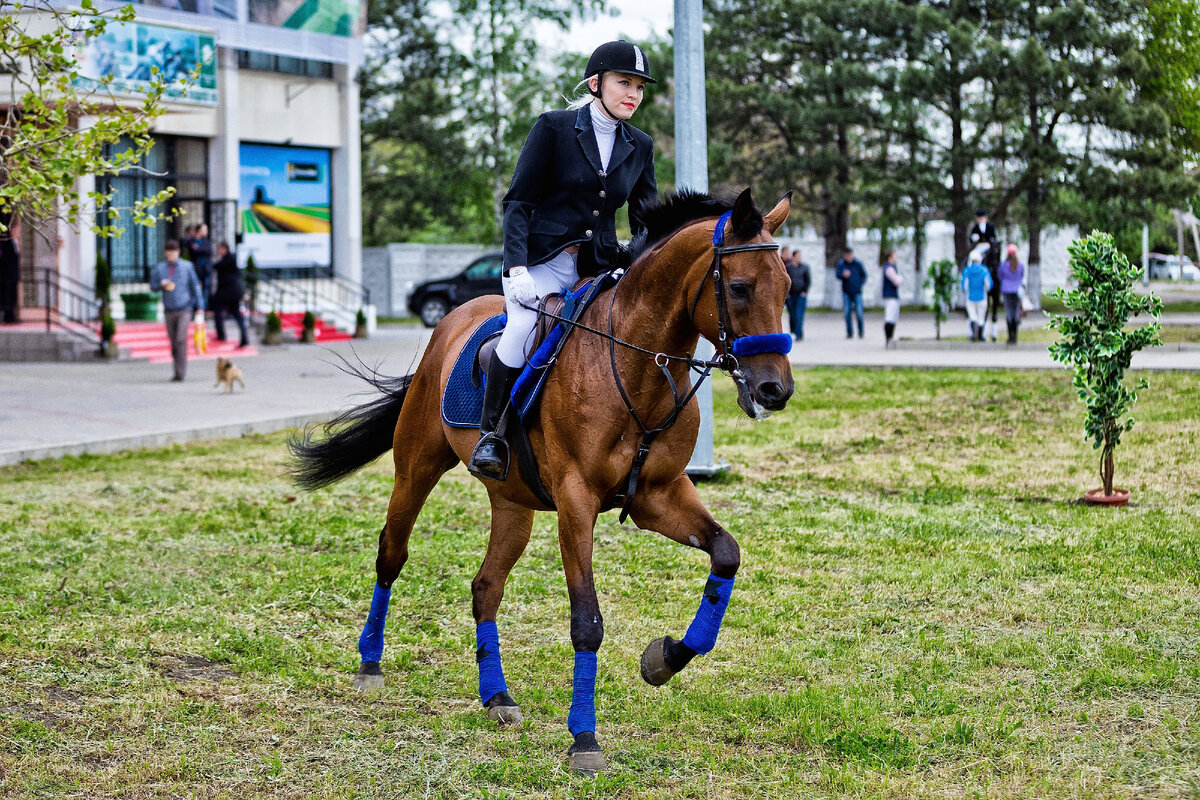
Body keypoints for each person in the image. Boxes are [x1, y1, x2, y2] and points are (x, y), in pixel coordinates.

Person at [468, 40, 658, 481]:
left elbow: (646, 218)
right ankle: (491, 435)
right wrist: (515, 267)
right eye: (623, 83)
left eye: (639, 87)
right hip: (540, 260)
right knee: (520, 326)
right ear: (596, 84)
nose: (633, 93)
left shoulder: (641, 145)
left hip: (597, 265)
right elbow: (517, 202)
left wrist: (635, 258)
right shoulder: (554, 128)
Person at [151, 240, 204, 381]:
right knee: (174, 342)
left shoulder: (187, 267)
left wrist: (200, 307)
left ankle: (181, 372)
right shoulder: (160, 268)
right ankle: (176, 370)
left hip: (184, 308)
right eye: (168, 253)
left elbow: (195, 287)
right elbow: (153, 286)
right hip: (169, 309)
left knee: (180, 339)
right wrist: (161, 285)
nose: (170, 256)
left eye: (173, 253)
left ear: (178, 252)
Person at [968, 208, 1002, 341]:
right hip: (979, 247)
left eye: (980, 217)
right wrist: (975, 239)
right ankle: (971, 271)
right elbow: (972, 238)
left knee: (995, 254)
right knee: (973, 257)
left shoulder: (990, 226)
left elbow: (994, 237)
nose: (979, 219)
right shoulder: (975, 227)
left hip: (988, 246)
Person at [211, 240, 249, 347]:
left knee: (219, 310)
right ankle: (243, 338)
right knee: (236, 315)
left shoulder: (228, 259)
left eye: (220, 249)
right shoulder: (229, 259)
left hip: (230, 292)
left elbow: (217, 267)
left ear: (224, 249)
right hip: (233, 292)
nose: (218, 251)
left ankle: (222, 335)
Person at [960, 246, 993, 342]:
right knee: (981, 317)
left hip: (970, 297)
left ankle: (973, 334)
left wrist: (965, 292)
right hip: (982, 296)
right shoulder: (984, 270)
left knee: (972, 316)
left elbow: (965, 285)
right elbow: (988, 285)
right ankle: (981, 336)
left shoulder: (967, 270)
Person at [836, 246, 866, 339]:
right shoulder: (842, 264)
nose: (848, 257)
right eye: (847, 255)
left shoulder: (858, 264)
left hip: (857, 291)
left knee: (859, 313)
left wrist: (859, 283)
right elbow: (837, 274)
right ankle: (849, 332)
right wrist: (843, 275)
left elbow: (864, 275)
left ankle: (861, 331)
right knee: (847, 313)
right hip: (846, 292)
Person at [999, 243, 1026, 346]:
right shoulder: (1020, 265)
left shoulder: (1003, 265)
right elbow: (1022, 276)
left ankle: (1010, 336)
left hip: (1006, 290)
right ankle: (1015, 337)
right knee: (1016, 312)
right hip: (1017, 291)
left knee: (1008, 313)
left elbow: (1000, 276)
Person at [784, 248, 811, 340]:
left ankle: (799, 334)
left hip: (801, 295)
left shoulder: (804, 267)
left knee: (799, 315)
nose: (800, 258)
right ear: (794, 257)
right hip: (791, 296)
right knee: (792, 315)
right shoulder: (789, 268)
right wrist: (787, 293)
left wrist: (804, 291)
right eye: (798, 256)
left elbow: (808, 281)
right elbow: (786, 281)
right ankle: (793, 332)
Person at [0, 211, 20, 324]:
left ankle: (10, 315)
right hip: (7, 276)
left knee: (11, 296)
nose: (17, 232)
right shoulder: (6, 244)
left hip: (13, 276)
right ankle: (7, 316)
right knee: (6, 295)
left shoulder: (14, 243)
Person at [880, 249, 903, 347]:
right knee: (890, 317)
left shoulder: (892, 267)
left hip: (893, 295)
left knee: (893, 317)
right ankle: (888, 338)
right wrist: (900, 277)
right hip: (890, 295)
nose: (896, 258)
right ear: (890, 258)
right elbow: (896, 281)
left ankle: (890, 338)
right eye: (894, 256)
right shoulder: (889, 268)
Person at [189, 222, 214, 303]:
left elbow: (208, 251)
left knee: (206, 289)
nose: (206, 231)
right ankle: (194, 306)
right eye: (204, 229)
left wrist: (198, 248)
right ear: (199, 230)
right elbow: (192, 250)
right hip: (196, 269)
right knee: (195, 288)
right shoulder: (192, 241)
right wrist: (199, 249)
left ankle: (203, 307)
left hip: (206, 269)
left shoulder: (206, 241)